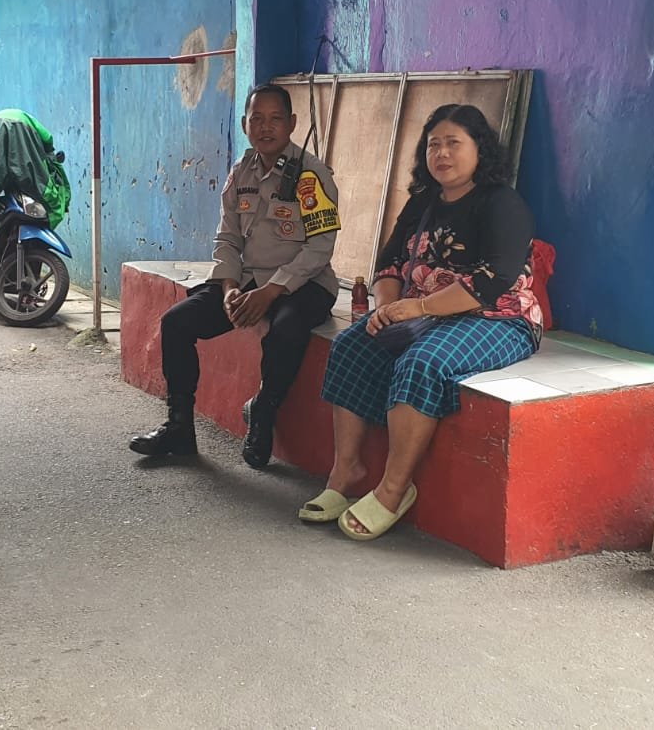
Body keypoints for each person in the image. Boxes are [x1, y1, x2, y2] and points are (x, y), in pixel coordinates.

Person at [305, 103, 543, 540]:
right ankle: (346, 470)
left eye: (454, 143)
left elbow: (491, 282)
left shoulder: (503, 204)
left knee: (422, 363)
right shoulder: (422, 203)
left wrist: (418, 308)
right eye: (434, 145)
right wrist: (386, 308)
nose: (442, 154)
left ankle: (394, 489)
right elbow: (389, 263)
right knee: (352, 345)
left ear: (480, 149)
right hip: (424, 313)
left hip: (497, 319)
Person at [129, 84, 341, 468]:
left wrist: (272, 291)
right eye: (257, 119)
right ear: (245, 124)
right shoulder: (241, 172)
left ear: (292, 123)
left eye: (275, 119)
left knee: (287, 328)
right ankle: (179, 427)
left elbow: (320, 248)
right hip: (247, 281)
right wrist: (228, 289)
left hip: (305, 283)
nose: (265, 127)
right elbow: (227, 238)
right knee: (177, 322)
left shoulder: (312, 175)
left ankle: (263, 412)